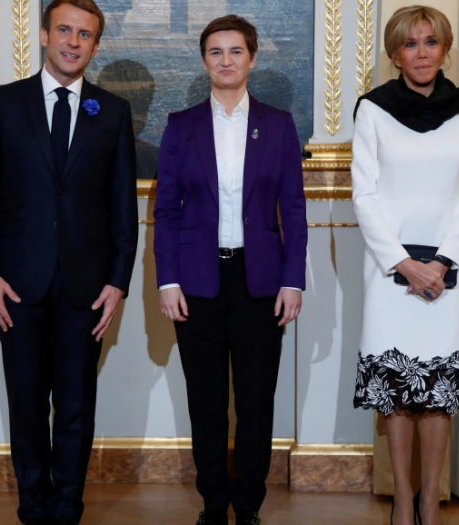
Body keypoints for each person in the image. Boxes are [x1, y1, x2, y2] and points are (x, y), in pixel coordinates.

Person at [0, 0, 137, 523]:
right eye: (64, 30)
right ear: (44, 35)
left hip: (88, 287)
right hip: (16, 285)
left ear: (95, 45)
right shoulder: (2, 103)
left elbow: (123, 210)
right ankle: (33, 506)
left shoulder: (111, 111)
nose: (72, 42)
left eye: (84, 35)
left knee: (77, 406)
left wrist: (118, 282)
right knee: (27, 403)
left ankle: (67, 508)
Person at [153, 15, 307, 525]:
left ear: (252, 58)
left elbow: (294, 210)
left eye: (236, 51)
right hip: (196, 284)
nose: (226, 60)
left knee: (256, 402)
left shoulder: (278, 124)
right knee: (207, 403)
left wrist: (293, 280)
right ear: (204, 61)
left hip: (260, 284)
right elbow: (166, 211)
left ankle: (249, 506)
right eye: (215, 52)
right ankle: (214, 506)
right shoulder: (182, 126)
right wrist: (168, 280)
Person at [350, 6, 459, 525]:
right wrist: (405, 263)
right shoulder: (373, 109)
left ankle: (431, 498)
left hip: (448, 271)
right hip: (390, 269)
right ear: (395, 54)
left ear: (444, 50)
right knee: (397, 391)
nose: (422, 53)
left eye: (431, 42)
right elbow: (364, 196)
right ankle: (403, 499)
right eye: (411, 44)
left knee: (437, 393)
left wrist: (442, 262)